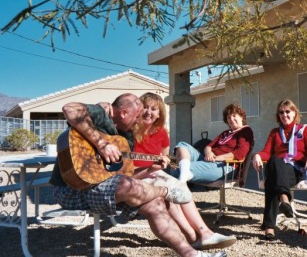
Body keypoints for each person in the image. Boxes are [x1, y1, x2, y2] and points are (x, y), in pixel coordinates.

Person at [49, 93, 226, 257]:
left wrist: (149, 170)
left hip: (105, 185)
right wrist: (101, 144)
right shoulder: (101, 115)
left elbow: (126, 174)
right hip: (72, 188)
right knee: (130, 186)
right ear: (124, 113)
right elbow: (69, 109)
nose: (139, 121)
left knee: (154, 204)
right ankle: (166, 192)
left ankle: (191, 254)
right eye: (137, 116)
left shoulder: (127, 139)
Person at [133, 92, 236, 249]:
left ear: (159, 113)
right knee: (171, 193)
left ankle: (203, 234)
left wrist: (169, 164)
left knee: (179, 187)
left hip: (156, 173)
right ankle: (194, 236)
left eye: (153, 109)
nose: (148, 112)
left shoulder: (161, 133)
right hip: (138, 175)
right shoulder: (130, 130)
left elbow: (167, 158)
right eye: (145, 107)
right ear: (139, 109)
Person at [252, 99, 307, 241]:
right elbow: (266, 152)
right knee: (275, 160)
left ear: (294, 112)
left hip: (294, 170)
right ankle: (284, 199)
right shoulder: (275, 132)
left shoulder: (304, 129)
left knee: (272, 179)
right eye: (281, 112)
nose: (284, 115)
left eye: (287, 111)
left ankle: (269, 226)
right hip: (277, 168)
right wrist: (257, 155)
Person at [172, 103, 254, 183]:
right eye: (228, 117)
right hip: (209, 160)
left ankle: (182, 178)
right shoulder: (225, 133)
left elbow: (240, 153)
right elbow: (208, 146)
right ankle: (184, 175)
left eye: (234, 116)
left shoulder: (245, 131)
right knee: (182, 145)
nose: (231, 119)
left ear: (241, 117)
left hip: (226, 166)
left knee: (179, 168)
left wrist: (216, 158)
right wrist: (208, 153)